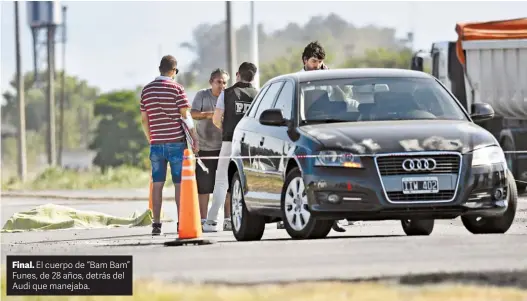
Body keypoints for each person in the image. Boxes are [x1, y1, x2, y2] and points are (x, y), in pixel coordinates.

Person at [277, 41, 350, 233]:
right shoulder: (298, 80)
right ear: (304, 60)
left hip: (329, 128)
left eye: (320, 62)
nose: (316, 65)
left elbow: (344, 99)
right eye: (313, 61)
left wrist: (329, 78)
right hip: (302, 129)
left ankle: (334, 217)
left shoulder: (329, 78)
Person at [140, 55, 199, 236]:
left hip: (156, 144)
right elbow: (185, 116)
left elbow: (144, 119)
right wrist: (195, 137)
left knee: (157, 184)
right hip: (176, 143)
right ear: (173, 71)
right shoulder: (177, 89)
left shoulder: (146, 90)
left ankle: (156, 224)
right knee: (179, 184)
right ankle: (182, 222)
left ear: (160, 68)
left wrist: (151, 137)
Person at [202, 62, 259, 232]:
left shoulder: (227, 94)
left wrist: (226, 129)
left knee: (221, 181)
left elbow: (216, 118)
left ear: (237, 74)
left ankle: (211, 222)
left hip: (229, 141)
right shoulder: (258, 94)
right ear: (253, 77)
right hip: (249, 143)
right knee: (249, 181)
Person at [190, 68, 230, 226]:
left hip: (224, 147)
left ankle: (228, 219)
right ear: (211, 82)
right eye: (219, 82)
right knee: (204, 186)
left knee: (227, 185)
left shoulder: (229, 96)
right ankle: (203, 219)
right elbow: (192, 114)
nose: (222, 86)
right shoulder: (202, 95)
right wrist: (212, 115)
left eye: (225, 82)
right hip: (205, 148)